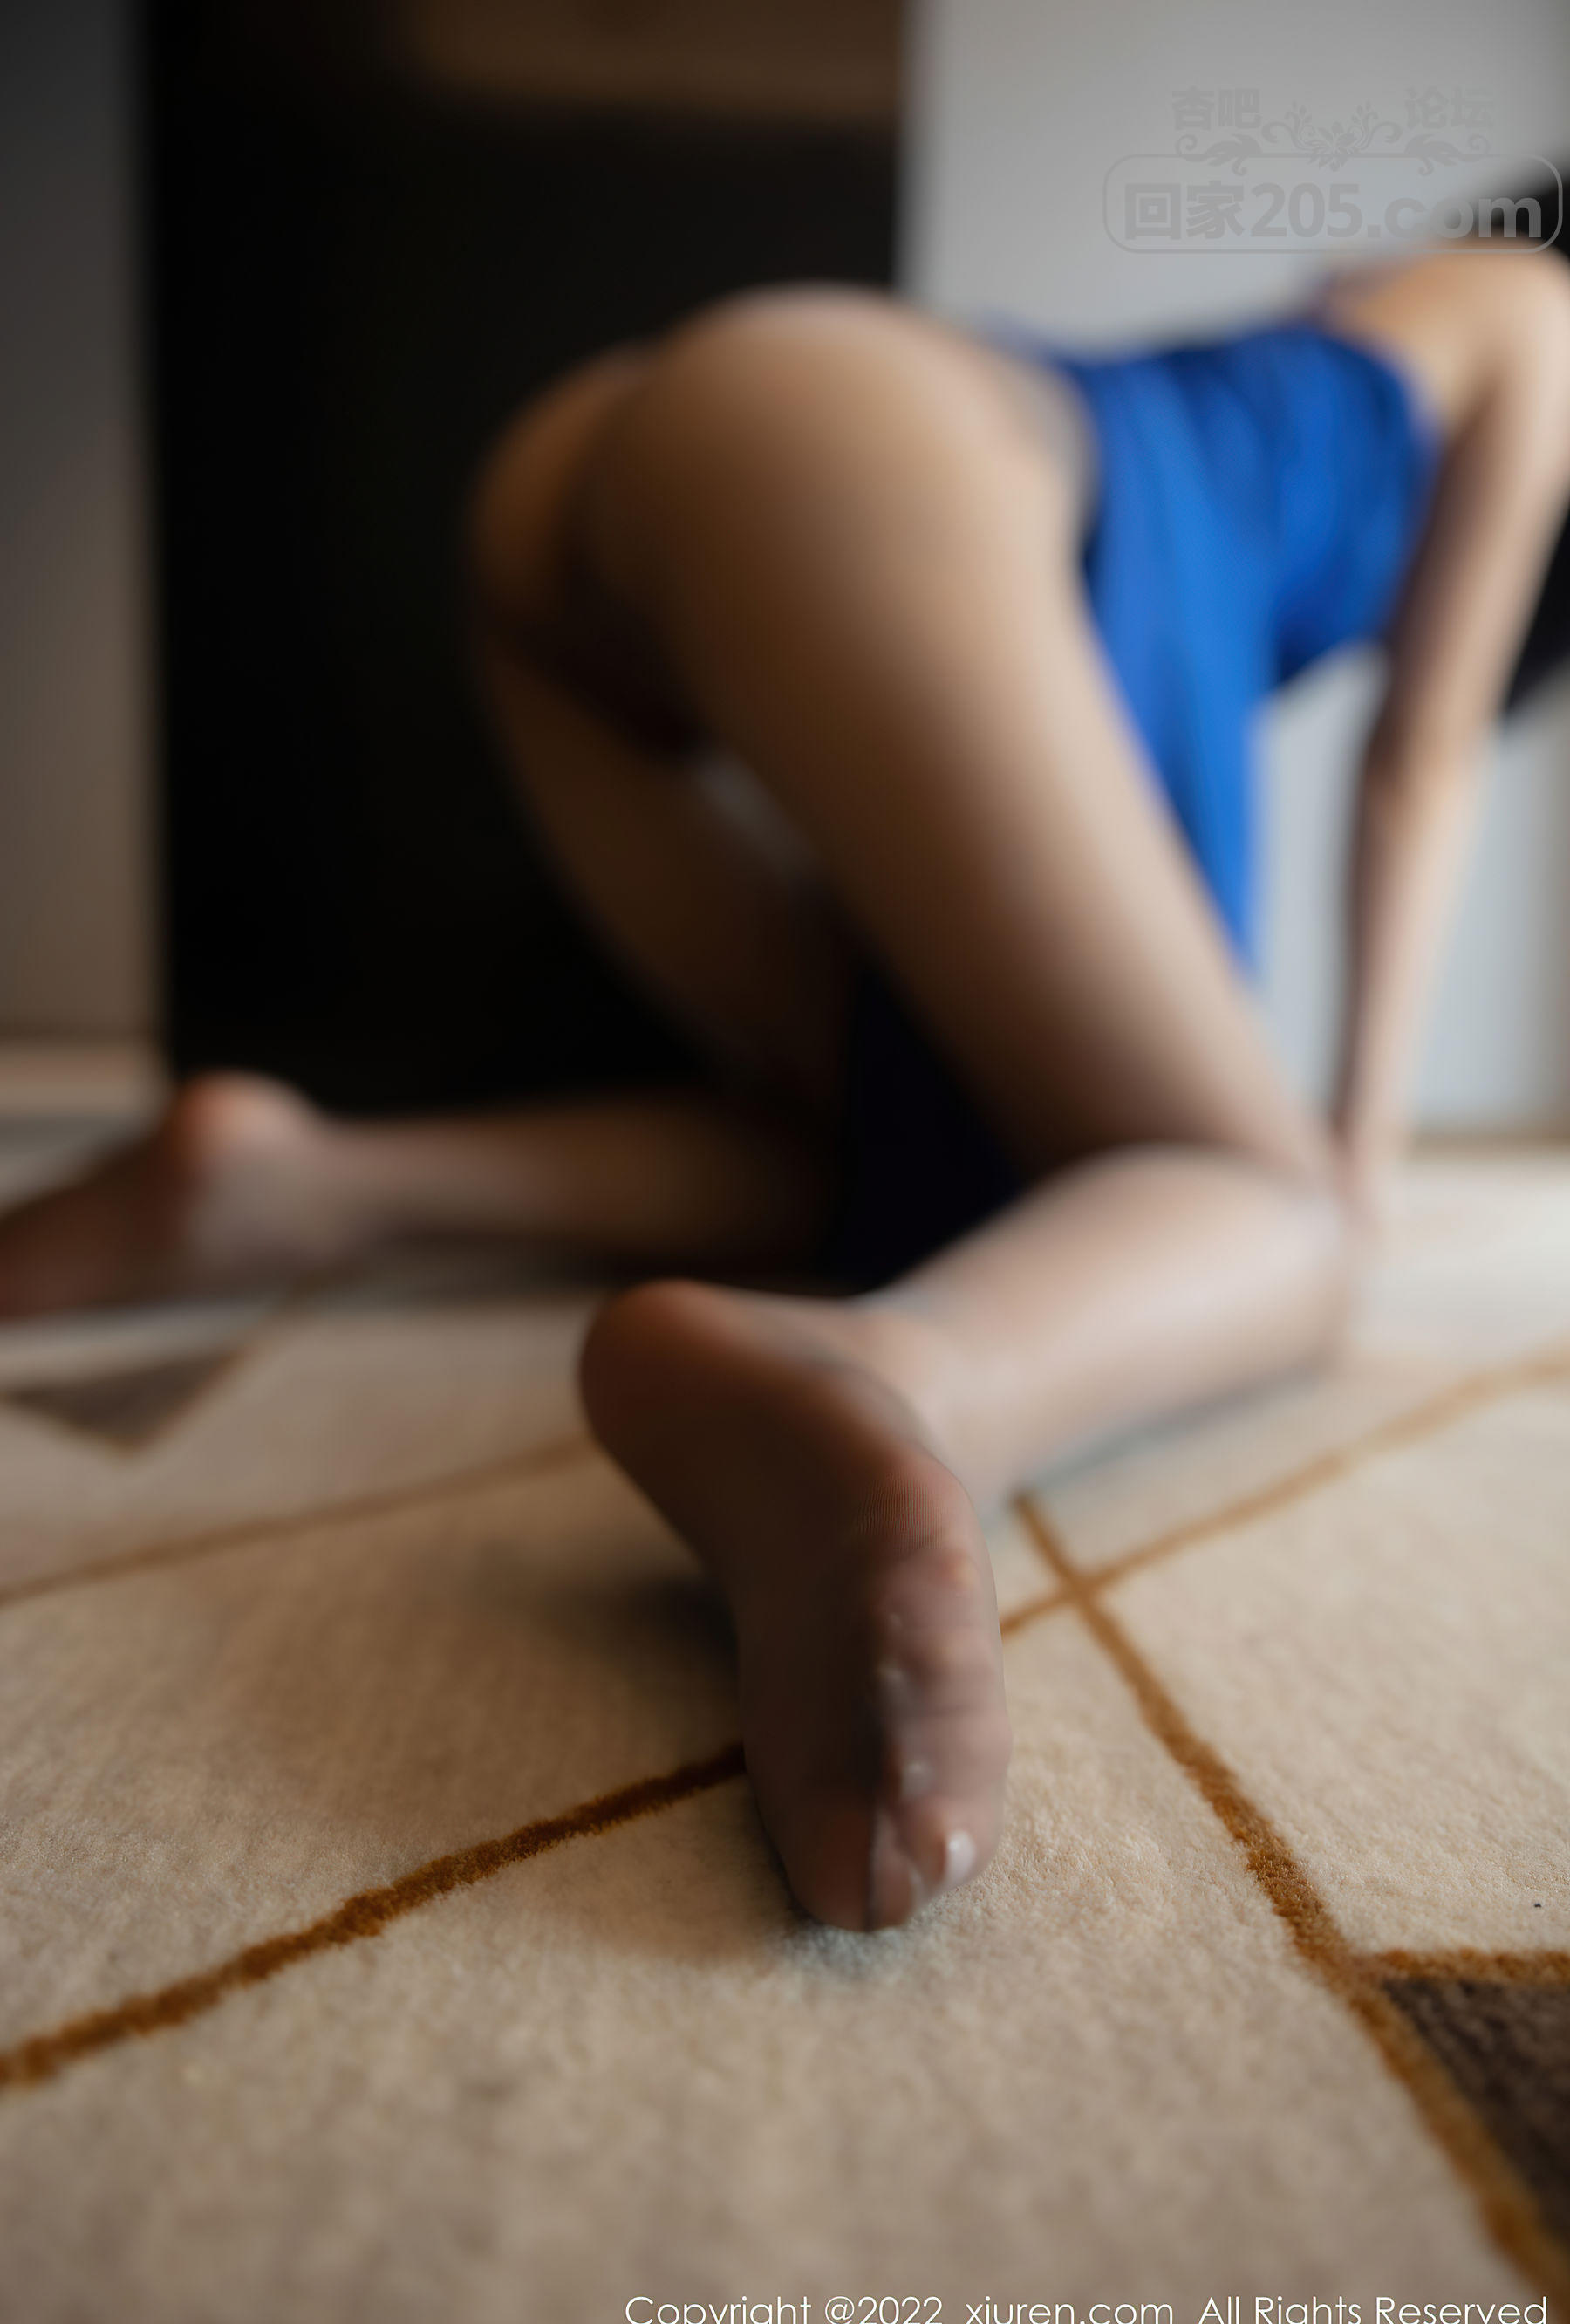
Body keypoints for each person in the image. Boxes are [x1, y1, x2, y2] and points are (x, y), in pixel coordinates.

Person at [3, 245, 1569, 1934]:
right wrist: (1351, 1164)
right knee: (1259, 1209)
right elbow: (1422, 763)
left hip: (590, 499)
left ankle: (295, 1186)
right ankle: (891, 1379)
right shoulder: (1535, 312)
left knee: (885, 1146)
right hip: (862, 449)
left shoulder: (1383, 304)